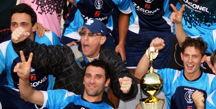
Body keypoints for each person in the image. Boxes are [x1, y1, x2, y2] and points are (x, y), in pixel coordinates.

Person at [10, 19, 138, 103]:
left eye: (92, 34)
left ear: (102, 40)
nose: (85, 39)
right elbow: (42, 55)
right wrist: (21, 43)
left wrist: (128, 87)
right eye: (83, 33)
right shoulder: (67, 52)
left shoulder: (110, 57)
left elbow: (122, 76)